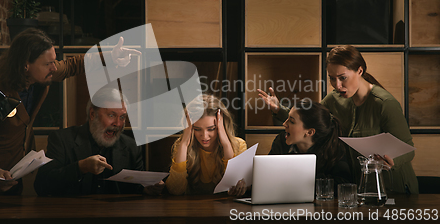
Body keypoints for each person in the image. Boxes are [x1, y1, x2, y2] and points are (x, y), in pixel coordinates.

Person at [0, 28, 140, 195]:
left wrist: (110, 57)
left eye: (54, 61)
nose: (54, 68)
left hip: (15, 172)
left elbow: (71, 66)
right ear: (25, 65)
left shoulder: (41, 71)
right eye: (48, 64)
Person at [258, 45, 418, 194]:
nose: (337, 85)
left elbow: (408, 148)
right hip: (359, 186)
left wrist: (391, 161)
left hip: (393, 187)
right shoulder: (333, 99)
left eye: (342, 78)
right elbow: (311, 121)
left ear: (360, 71)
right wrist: (279, 110)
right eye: (332, 78)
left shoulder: (385, 103)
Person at [34, 87, 164, 196]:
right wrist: (80, 167)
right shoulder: (62, 140)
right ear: (92, 114)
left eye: (122, 117)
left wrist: (147, 189)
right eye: (111, 115)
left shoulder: (130, 146)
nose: (117, 124)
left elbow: (136, 189)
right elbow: (42, 186)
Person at [166, 94, 248, 196]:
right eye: (197, 129)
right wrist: (183, 144)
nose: (204, 136)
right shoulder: (182, 146)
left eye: (211, 129)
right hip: (192, 208)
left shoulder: (239, 145)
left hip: (226, 209)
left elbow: (234, 184)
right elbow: (175, 190)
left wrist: (226, 144)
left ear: (221, 126)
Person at [269, 100, 353, 187]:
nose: (284, 124)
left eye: (292, 121)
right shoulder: (281, 141)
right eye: (287, 118)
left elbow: (343, 184)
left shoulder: (332, 148)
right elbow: (268, 174)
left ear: (309, 132)